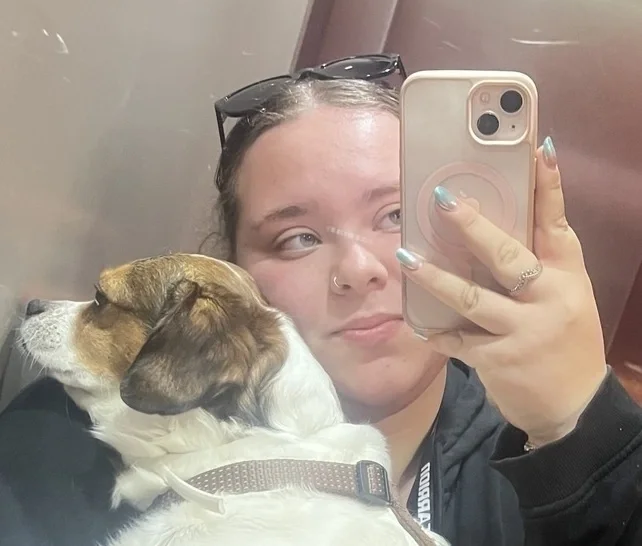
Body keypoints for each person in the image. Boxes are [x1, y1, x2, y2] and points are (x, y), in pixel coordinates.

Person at [1, 54, 641, 546]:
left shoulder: (534, 461)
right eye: (297, 238)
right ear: (236, 279)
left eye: (395, 216)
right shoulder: (76, 436)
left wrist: (584, 439)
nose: (358, 271)